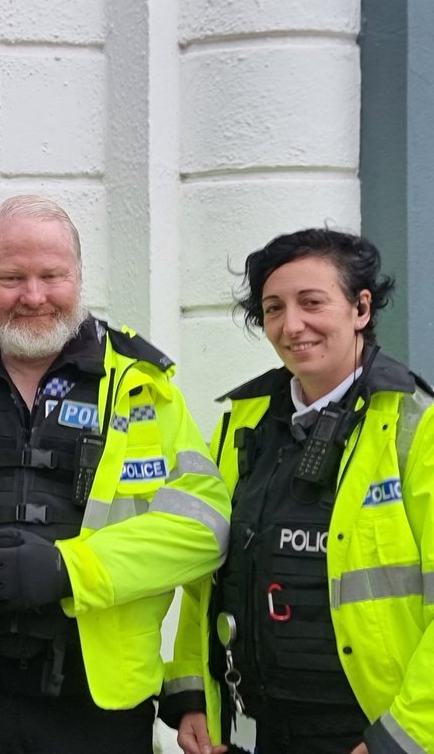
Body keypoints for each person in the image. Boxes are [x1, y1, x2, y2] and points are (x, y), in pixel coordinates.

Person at [0, 194, 231, 754]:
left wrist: (68, 569)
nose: (33, 296)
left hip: (100, 698)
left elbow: (204, 527)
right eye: (11, 277)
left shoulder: (142, 386)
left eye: (52, 275)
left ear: (79, 275)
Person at [162, 229, 434, 754]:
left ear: (360, 307)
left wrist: (399, 741)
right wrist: (192, 692)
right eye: (272, 308)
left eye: (312, 303)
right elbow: (205, 578)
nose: (292, 326)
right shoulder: (241, 427)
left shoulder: (415, 429)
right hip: (251, 731)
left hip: (368, 736)